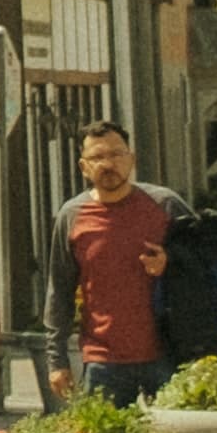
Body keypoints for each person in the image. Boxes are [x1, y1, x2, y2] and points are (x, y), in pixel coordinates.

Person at [43, 120, 182, 404]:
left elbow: (209, 262)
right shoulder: (72, 216)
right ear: (84, 167)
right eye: (97, 157)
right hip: (104, 359)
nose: (108, 163)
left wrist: (172, 262)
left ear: (131, 159)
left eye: (117, 154)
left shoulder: (165, 206)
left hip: (168, 353)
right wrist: (56, 361)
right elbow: (59, 291)